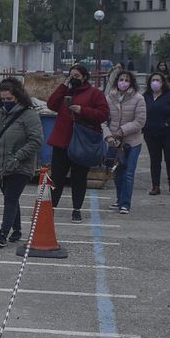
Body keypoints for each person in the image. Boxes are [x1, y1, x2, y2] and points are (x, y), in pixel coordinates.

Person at [45, 63, 109, 222]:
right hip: (62, 141)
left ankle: (76, 209)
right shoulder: (65, 92)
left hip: (82, 142)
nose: (73, 79)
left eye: (76, 76)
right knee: (57, 177)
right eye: (71, 76)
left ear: (85, 77)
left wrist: (82, 110)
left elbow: (103, 114)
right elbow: (51, 104)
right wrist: (63, 86)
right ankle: (51, 208)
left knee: (79, 177)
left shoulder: (94, 93)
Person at [0, 78, 44, 244]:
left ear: (18, 96)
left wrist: (18, 156)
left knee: (10, 198)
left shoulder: (29, 115)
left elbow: (36, 141)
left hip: (20, 167)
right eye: (3, 99)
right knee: (11, 199)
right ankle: (16, 231)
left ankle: (2, 234)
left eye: (9, 99)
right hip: (1, 166)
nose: (6, 102)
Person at [105, 69, 145, 214]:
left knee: (128, 172)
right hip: (115, 142)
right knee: (117, 171)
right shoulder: (110, 98)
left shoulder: (138, 99)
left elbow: (140, 121)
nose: (123, 82)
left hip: (132, 142)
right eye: (121, 79)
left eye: (126, 80)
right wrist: (108, 136)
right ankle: (119, 199)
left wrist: (123, 130)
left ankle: (125, 204)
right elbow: (104, 120)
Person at [141, 71, 170, 196]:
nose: (155, 82)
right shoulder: (146, 96)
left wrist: (168, 122)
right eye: (153, 80)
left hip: (169, 132)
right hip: (151, 133)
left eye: (158, 80)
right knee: (155, 160)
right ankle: (155, 186)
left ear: (163, 82)